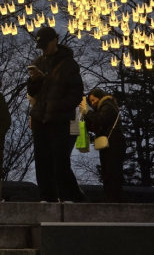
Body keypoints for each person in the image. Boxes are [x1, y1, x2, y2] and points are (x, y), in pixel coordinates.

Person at [27, 26, 85, 203]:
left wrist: (59, 107)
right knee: (42, 159)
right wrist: (34, 81)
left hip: (59, 118)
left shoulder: (68, 64)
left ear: (55, 41)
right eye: (41, 46)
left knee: (60, 160)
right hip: (40, 117)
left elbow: (76, 92)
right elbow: (31, 90)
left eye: (46, 44)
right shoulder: (38, 61)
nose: (43, 49)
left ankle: (66, 195)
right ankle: (46, 196)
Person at [81, 88, 125, 203]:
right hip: (109, 143)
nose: (93, 103)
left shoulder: (108, 105)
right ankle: (110, 198)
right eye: (91, 102)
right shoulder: (103, 107)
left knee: (112, 172)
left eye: (93, 99)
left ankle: (114, 199)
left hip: (114, 142)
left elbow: (100, 120)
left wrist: (87, 112)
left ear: (100, 97)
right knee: (107, 172)